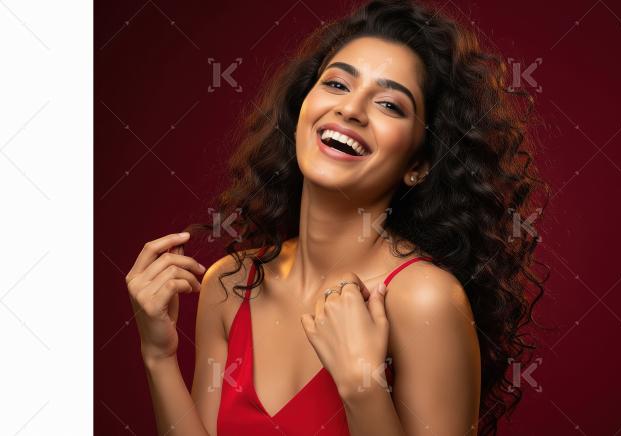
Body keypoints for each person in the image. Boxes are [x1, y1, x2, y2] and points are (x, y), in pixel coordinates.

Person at [125, 0, 547, 434]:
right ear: (302, 107)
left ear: (419, 164)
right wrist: (157, 355)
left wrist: (362, 387)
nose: (350, 109)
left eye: (389, 104)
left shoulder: (425, 301)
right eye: (338, 84)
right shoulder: (230, 283)